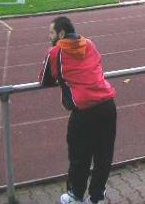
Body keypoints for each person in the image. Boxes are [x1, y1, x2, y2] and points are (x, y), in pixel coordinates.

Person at [39, 16, 117, 204]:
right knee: (103, 154)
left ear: (61, 33)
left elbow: (44, 81)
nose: (49, 36)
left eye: (51, 33)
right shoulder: (89, 43)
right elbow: (97, 66)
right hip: (107, 104)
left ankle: (75, 196)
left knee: (79, 155)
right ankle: (96, 197)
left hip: (84, 111)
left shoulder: (56, 52)